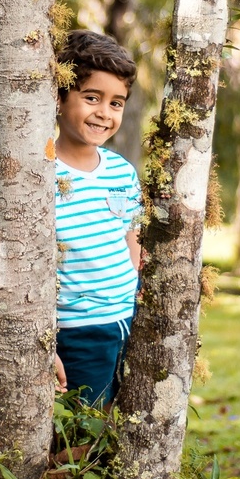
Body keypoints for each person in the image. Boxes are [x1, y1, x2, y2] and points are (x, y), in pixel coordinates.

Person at [52, 30, 142, 406]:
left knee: (125, 419)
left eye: (116, 103)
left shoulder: (122, 172)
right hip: (77, 332)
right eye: (92, 98)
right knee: (80, 432)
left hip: (129, 322)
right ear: (58, 98)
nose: (104, 113)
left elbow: (131, 240)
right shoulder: (42, 176)